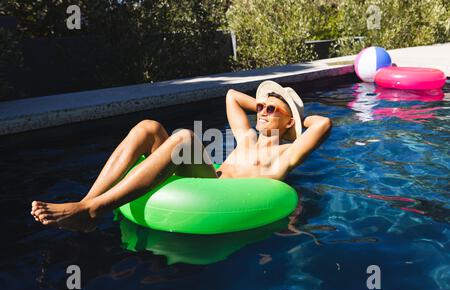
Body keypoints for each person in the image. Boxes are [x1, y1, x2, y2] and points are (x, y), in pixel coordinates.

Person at [31, 80, 332, 232]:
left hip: (218, 196)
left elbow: (323, 124)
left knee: (185, 138)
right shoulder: (248, 136)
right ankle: (88, 205)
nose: (262, 112)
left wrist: (295, 115)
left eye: (271, 110)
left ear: (289, 121)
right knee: (148, 127)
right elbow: (231, 96)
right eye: (260, 108)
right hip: (206, 176)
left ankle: (96, 209)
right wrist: (266, 102)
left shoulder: (287, 154)